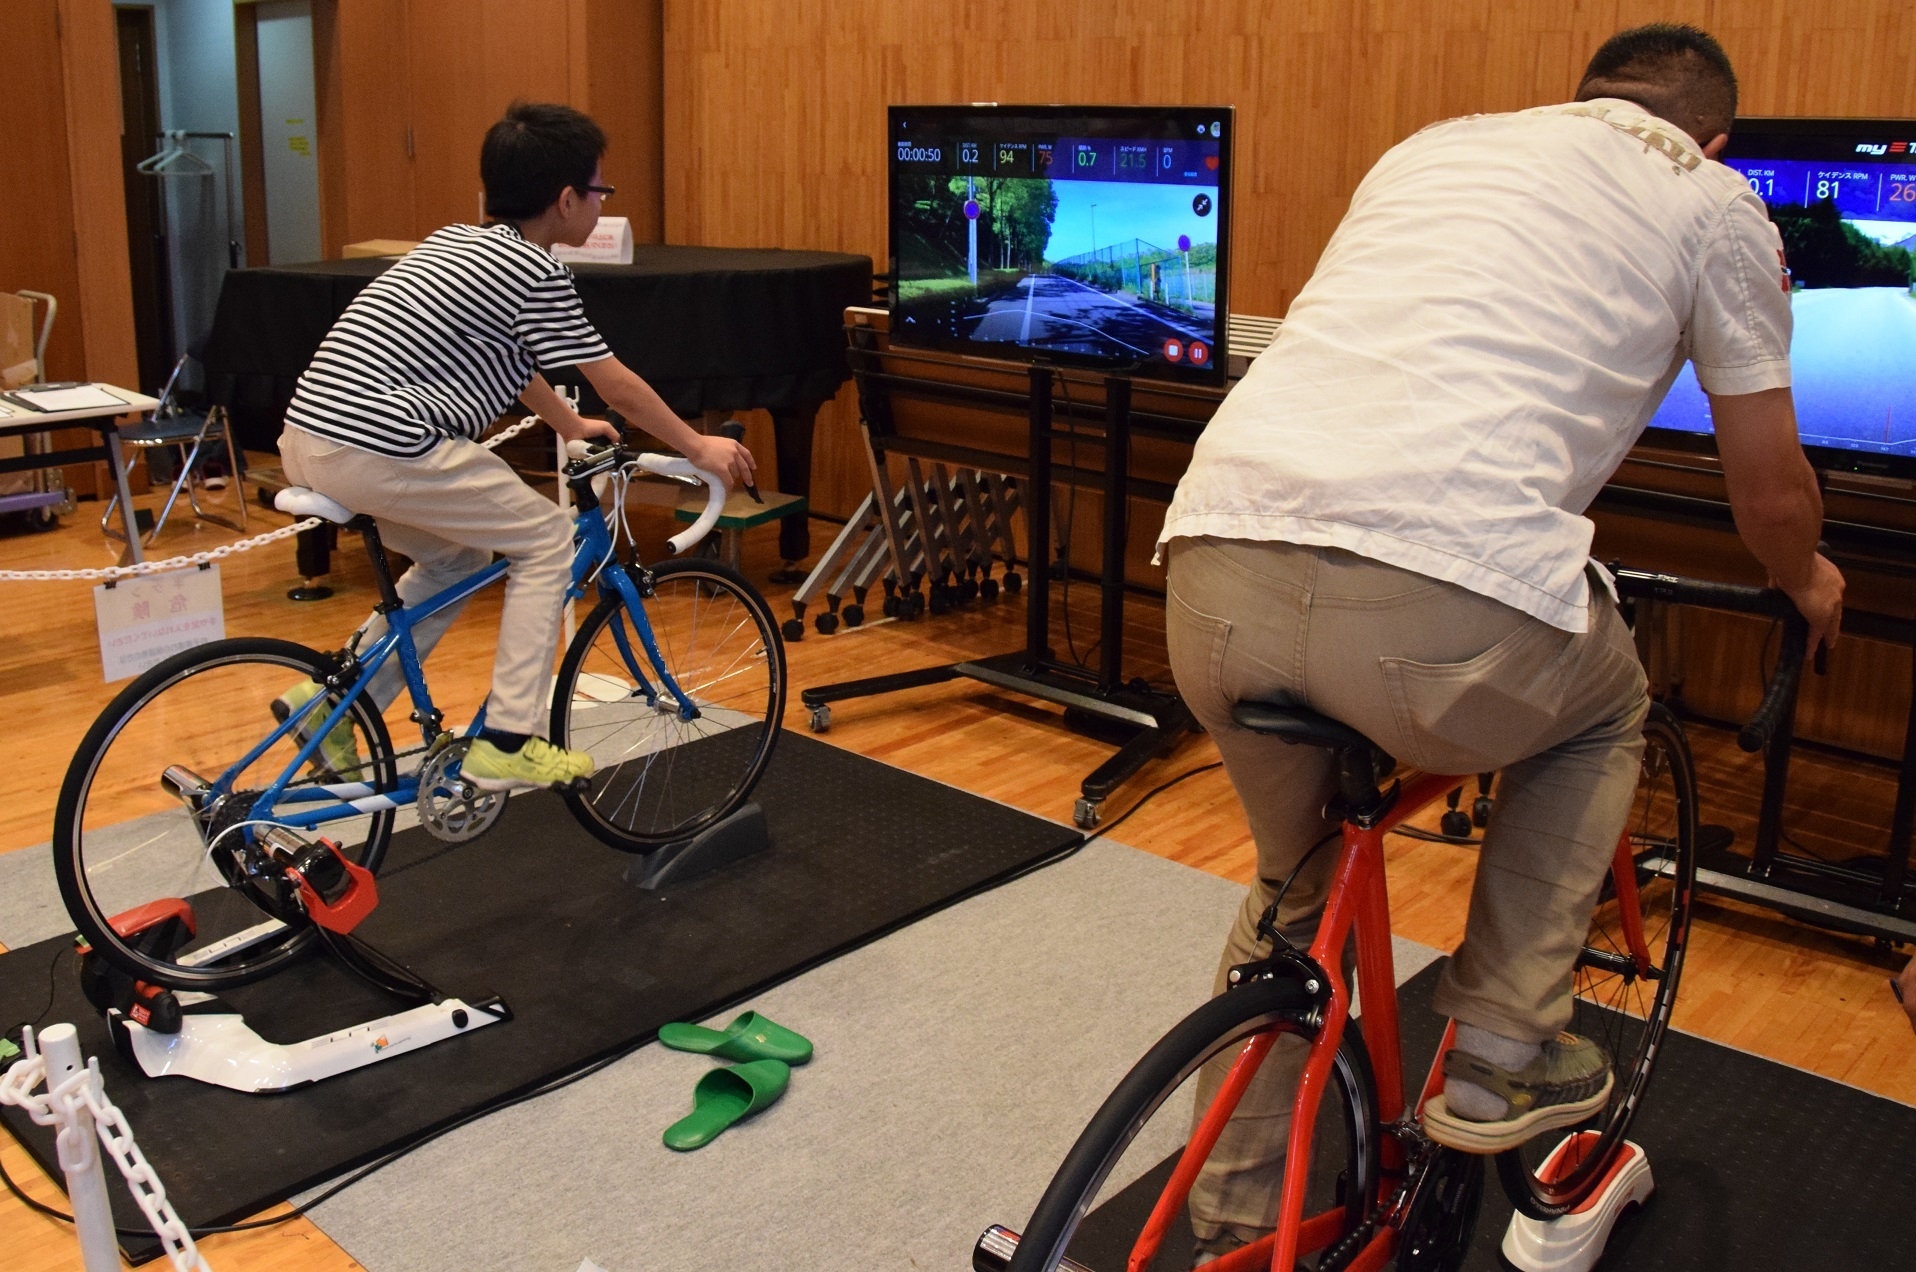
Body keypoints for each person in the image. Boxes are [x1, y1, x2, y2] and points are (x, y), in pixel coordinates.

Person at [1156, 24, 1846, 1258]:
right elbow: (1766, 487)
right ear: (1715, 139)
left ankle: (1233, 1230)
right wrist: (1804, 580)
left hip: (1209, 572)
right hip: (1436, 602)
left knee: (1289, 888)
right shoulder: (1713, 201)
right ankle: (1497, 1051)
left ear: (1578, 100)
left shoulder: (1437, 146)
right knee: (1602, 707)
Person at [274, 101, 755, 792]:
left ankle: (336, 702)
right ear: (566, 200)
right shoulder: (534, 270)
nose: (602, 203)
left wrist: (567, 424)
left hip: (311, 437)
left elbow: (512, 358)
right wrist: (697, 446)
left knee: (458, 557)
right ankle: (508, 740)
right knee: (546, 539)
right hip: (381, 443)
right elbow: (615, 384)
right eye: (599, 190)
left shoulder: (457, 244)